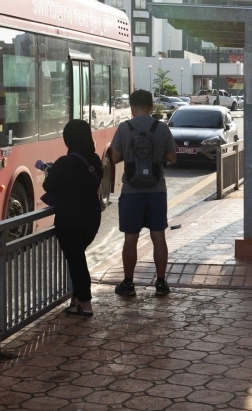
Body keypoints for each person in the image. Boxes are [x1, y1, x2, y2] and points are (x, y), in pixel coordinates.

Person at [111, 89, 177, 298]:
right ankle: (161, 283)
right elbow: (172, 157)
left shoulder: (124, 128)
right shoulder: (161, 128)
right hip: (157, 191)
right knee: (158, 237)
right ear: (151, 106)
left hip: (132, 192)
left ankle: (129, 284)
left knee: (130, 238)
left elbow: (114, 158)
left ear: (132, 107)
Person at [41, 120, 104, 317]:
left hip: (69, 220)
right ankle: (76, 301)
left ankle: (85, 304)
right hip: (92, 218)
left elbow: (49, 186)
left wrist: (48, 172)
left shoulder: (64, 162)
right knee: (77, 258)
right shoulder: (95, 160)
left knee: (76, 262)